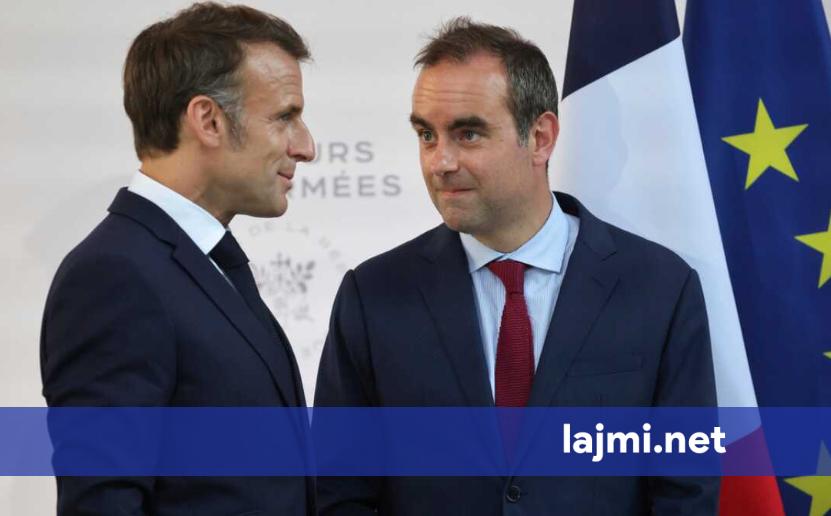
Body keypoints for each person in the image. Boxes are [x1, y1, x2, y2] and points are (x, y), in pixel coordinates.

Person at [314, 17, 718, 515]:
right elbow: (342, 492)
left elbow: (686, 490)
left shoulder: (660, 288)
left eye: (468, 134)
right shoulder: (373, 294)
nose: (440, 162)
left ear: (541, 137)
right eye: (426, 135)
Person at [39, 3, 316, 514]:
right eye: (285, 117)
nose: (306, 147)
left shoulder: (202, 262)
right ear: (208, 120)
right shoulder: (114, 276)